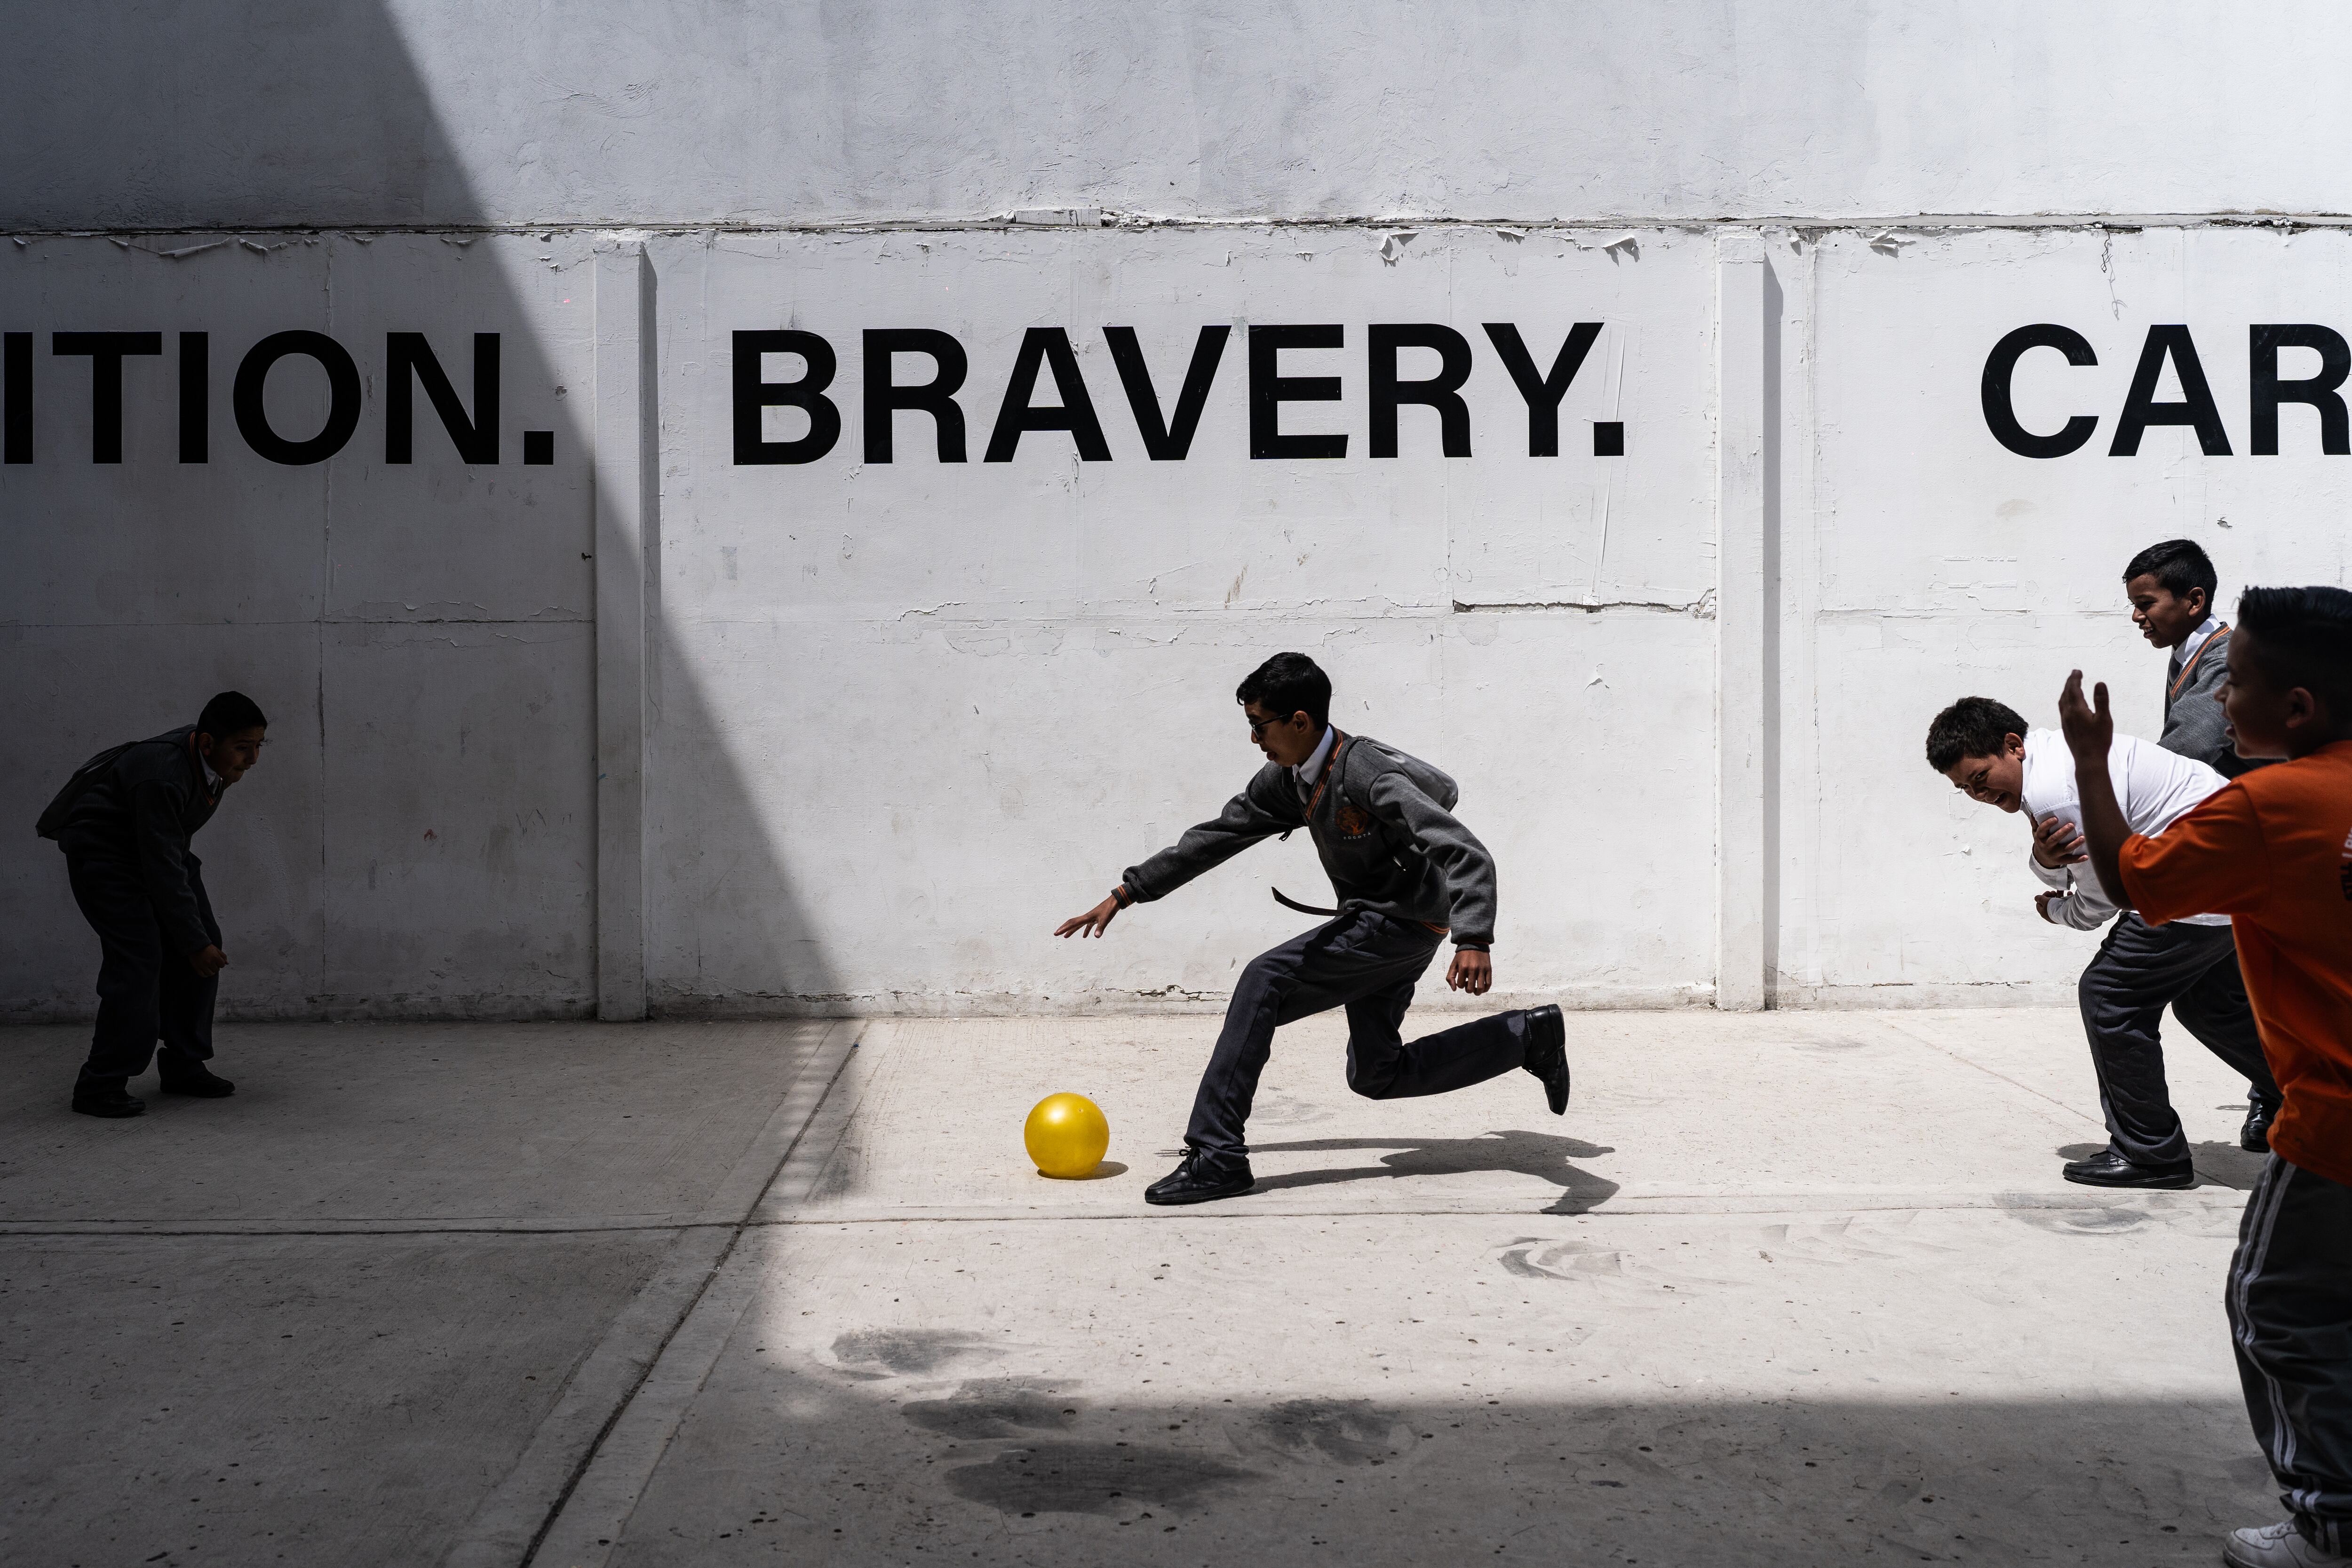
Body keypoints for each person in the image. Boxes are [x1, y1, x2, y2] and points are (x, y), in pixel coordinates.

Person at [2056, 587, 2352, 1568]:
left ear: (2297, 707)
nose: (2224, 703)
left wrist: (2094, 764)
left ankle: (2331, 1521)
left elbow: (2136, 881)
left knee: (2280, 1307)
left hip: (2339, 1125)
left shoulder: (2269, 804)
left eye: (2242, 686)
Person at [1054, 652, 1569, 1206]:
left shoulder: (1366, 772)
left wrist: (1473, 937)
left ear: (1299, 721)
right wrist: (1127, 892)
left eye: (1260, 725)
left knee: (1263, 981)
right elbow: (1216, 836)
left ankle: (1217, 1154)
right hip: (1380, 922)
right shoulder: (1288, 781)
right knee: (1377, 1073)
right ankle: (1526, 1037)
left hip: (1397, 924)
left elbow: (1461, 849)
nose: (1254, 739)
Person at [1925, 695, 2279, 1184]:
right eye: (1965, 789)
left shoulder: (2054, 791)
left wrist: (2056, 910)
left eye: (1980, 779)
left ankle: (2149, 1154)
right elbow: (2066, 865)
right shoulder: (2054, 756)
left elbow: (2100, 899)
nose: (1978, 796)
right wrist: (2047, 864)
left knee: (2109, 995)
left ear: (2012, 746)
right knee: (2208, 1006)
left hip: (2195, 885)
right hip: (2240, 874)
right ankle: (2307, 1096)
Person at [38, 691, 268, 1118]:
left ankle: (183, 1064)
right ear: (206, 743)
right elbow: (159, 867)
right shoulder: (162, 774)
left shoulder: (211, 762)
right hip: (105, 859)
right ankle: (100, 1083)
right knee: (141, 959)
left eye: (259, 746)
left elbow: (165, 853)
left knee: (205, 947)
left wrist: (195, 940)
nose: (253, 758)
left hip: (158, 851)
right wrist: (189, 939)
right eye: (242, 747)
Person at [2125, 537, 2263, 778]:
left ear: (2195, 601)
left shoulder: (2228, 663)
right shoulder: (2187, 655)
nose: (2137, 616)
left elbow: (2182, 752)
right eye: (2134, 605)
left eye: (2146, 604)